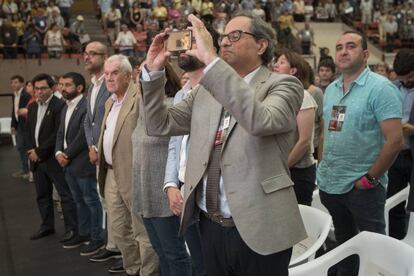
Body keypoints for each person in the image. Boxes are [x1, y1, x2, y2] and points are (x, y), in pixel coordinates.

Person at [140, 13, 306, 275]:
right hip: (210, 225)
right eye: (223, 37)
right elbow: (159, 124)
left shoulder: (284, 84)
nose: (225, 42)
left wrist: (211, 62)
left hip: (261, 227)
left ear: (262, 45)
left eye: (235, 35)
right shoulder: (207, 90)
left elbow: (260, 121)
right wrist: (154, 71)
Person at [317, 31, 403, 275]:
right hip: (331, 185)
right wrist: (322, 165)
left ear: (365, 54)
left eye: (351, 46)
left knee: (375, 249)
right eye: (339, 47)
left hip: (363, 188)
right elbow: (327, 132)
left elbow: (394, 140)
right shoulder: (332, 89)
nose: (343, 51)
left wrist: (371, 178)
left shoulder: (381, 88)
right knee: (346, 245)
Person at [162, 28, 222, 276]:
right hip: (184, 188)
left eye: (193, 43)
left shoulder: (223, 91)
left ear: (211, 49)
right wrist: (170, 184)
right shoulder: (180, 94)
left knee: (214, 266)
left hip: (212, 192)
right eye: (184, 44)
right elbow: (174, 144)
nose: (185, 49)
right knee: (197, 263)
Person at [97, 55, 159, 276]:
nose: (109, 78)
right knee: (119, 229)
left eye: (114, 73)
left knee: (143, 232)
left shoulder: (139, 97)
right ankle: (133, 269)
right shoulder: (109, 102)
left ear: (128, 75)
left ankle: (149, 272)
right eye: (106, 73)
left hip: (135, 174)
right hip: (111, 174)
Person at [55, 72, 105, 256]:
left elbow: (84, 136)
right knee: (78, 201)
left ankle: (97, 238)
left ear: (79, 88)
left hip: (82, 162)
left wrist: (66, 154)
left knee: (91, 201)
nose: (62, 88)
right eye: (61, 84)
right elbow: (60, 132)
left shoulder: (85, 106)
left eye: (67, 85)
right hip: (67, 163)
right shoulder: (64, 107)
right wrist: (58, 152)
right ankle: (83, 234)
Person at [82, 41, 122, 266]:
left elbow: (113, 121)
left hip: (114, 156)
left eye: (93, 54)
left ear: (105, 56)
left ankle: (122, 251)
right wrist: (92, 146)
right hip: (98, 154)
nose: (87, 57)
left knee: (117, 206)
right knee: (106, 202)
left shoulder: (111, 83)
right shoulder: (92, 86)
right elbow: (89, 121)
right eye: (85, 54)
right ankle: (113, 245)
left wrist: (98, 147)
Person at [25, 73, 78, 242]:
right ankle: (47, 226)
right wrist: (30, 151)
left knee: (65, 195)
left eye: (43, 88)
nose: (39, 92)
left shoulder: (59, 106)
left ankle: (72, 229)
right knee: (42, 196)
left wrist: (39, 152)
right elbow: (28, 132)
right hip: (37, 161)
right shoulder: (32, 107)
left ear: (52, 88)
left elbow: (57, 134)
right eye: (36, 88)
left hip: (52, 160)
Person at [272, 51, 318, 206]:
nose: (276, 65)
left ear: (293, 71)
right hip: (280, 168)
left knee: (299, 221)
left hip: (298, 171)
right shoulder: (277, 96)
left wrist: (283, 167)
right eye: (276, 61)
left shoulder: (303, 96)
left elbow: (304, 141)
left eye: (282, 62)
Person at [387, 49, 414, 239]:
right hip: (395, 154)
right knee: (393, 203)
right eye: (401, 78)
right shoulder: (392, 87)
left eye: (409, 77)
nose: (405, 82)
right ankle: (396, 244)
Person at [10, 75, 31, 179]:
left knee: (24, 148)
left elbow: (29, 112)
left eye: (16, 82)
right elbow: (14, 111)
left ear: (21, 83)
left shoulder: (26, 95)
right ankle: (24, 169)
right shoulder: (15, 95)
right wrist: (13, 125)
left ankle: (27, 171)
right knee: (20, 148)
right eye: (12, 82)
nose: (13, 84)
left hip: (25, 126)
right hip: (19, 125)